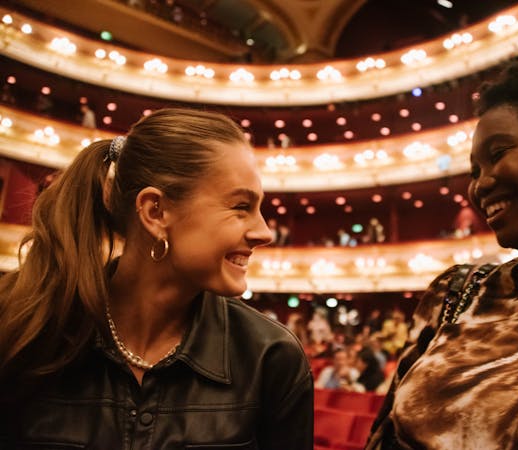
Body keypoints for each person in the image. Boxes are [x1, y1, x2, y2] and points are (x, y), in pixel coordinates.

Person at [0, 108, 313, 449]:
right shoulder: (25, 326)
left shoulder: (272, 358)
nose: (264, 232)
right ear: (156, 212)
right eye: (241, 206)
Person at [367, 57, 518, 449]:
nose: (480, 186)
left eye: (498, 154)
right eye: (474, 171)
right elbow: (384, 436)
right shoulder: (456, 293)